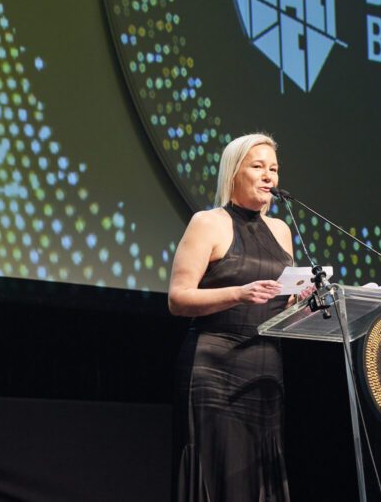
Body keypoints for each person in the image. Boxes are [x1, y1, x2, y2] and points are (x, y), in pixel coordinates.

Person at [168, 132, 296, 502]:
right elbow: (178, 299)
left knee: (259, 479)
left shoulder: (281, 230)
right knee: (220, 473)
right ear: (234, 173)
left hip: (265, 369)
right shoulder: (207, 223)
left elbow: (280, 302)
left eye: (274, 169)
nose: (268, 176)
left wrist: (301, 302)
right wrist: (238, 293)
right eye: (258, 167)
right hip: (215, 367)